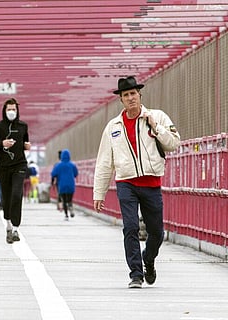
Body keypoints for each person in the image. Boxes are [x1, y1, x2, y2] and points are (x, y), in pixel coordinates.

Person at [93, 76, 181, 289]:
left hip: (151, 184)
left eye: (133, 94)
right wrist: (99, 192)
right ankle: (136, 273)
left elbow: (175, 143)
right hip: (126, 183)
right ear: (121, 100)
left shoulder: (157, 116)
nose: (130, 98)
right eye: (126, 95)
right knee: (130, 227)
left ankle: (148, 260)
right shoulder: (113, 127)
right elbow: (105, 161)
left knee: (157, 233)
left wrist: (156, 127)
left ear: (140, 95)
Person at [0, 97, 31, 244]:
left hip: (20, 165)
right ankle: (9, 227)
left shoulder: (23, 126)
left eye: (14, 109)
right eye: (9, 109)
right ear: (4, 111)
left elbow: (26, 142)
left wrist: (27, 146)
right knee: (7, 197)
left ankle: (16, 228)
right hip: (4, 167)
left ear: (17, 111)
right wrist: (2, 143)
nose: (11, 112)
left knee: (17, 194)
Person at [51, 149, 78, 219]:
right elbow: (76, 174)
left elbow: (53, 174)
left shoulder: (58, 165)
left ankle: (66, 215)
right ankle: (71, 206)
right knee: (70, 199)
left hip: (62, 185)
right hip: (71, 185)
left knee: (64, 201)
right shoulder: (72, 165)